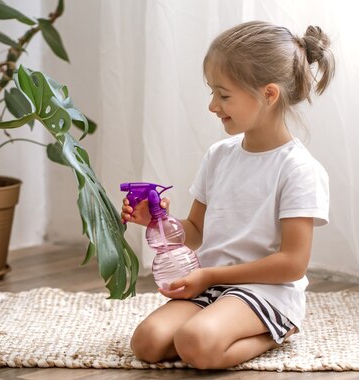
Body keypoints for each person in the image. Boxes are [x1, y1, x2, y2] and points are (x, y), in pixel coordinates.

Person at [121, 20, 335, 370]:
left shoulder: (298, 169)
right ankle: (218, 323)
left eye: (223, 95)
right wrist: (156, 220)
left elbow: (292, 264)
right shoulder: (219, 156)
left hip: (266, 289)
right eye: (212, 93)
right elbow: (194, 231)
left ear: (268, 94)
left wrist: (208, 276)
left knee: (196, 344)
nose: (212, 105)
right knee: (146, 343)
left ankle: (281, 327)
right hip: (214, 286)